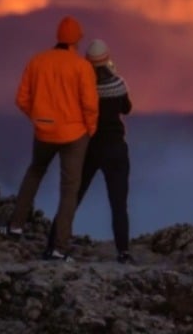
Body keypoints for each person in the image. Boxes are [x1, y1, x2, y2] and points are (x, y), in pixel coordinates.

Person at [0, 15, 99, 262]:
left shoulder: (37, 61)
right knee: (69, 190)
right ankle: (59, 249)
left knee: (35, 172)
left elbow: (21, 99)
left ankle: (16, 225)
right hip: (74, 133)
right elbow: (89, 104)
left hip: (43, 131)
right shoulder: (81, 67)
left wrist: (39, 118)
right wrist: (90, 129)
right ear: (76, 39)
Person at [48, 38, 134, 263]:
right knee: (118, 203)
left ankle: (53, 245)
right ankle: (123, 252)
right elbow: (127, 108)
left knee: (73, 197)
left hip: (89, 148)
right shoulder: (117, 84)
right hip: (116, 148)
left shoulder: (82, 87)